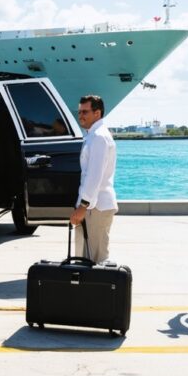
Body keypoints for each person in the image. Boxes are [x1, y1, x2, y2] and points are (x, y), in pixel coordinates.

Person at [69, 94, 118, 263]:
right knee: (84, 261)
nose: (80, 116)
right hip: (93, 206)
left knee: (95, 262)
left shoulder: (99, 137)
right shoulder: (93, 135)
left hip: (96, 207)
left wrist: (83, 206)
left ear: (97, 113)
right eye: (79, 112)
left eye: (85, 112)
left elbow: (94, 176)